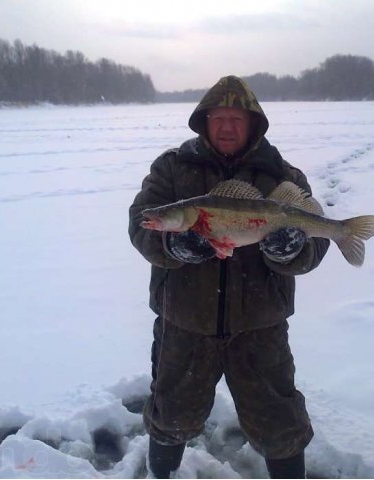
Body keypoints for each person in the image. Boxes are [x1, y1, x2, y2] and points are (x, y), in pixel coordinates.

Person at [128, 75, 330, 478]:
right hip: (183, 325)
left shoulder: (283, 176)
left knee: (280, 423)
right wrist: (175, 247)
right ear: (203, 122)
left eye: (237, 118)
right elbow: (141, 223)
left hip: (260, 329)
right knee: (171, 416)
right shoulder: (172, 169)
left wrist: (291, 252)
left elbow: (314, 243)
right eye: (218, 117)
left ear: (253, 124)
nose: (226, 126)